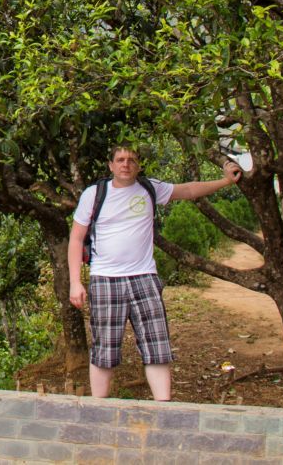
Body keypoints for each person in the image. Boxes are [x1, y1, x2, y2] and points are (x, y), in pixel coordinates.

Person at [68, 143, 243, 400]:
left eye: (131, 159)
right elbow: (76, 238)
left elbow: (189, 189)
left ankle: (164, 406)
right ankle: (99, 408)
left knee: (156, 346)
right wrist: (75, 282)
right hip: (105, 278)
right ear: (111, 165)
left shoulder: (150, 188)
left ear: (138, 165)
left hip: (144, 278)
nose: (126, 164)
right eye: (120, 159)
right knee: (104, 350)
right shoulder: (94, 194)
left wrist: (225, 182)